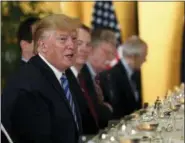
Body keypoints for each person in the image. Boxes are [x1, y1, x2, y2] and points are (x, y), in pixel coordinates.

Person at [1, 14, 82, 143]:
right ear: (43, 46)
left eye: (74, 39)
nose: (71, 45)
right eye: (63, 39)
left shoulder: (64, 75)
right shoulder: (29, 86)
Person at [101, 35, 148, 119]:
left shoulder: (136, 73)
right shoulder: (113, 75)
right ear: (133, 57)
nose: (145, 60)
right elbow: (117, 110)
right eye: (143, 56)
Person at [78, 28, 117, 128]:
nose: (111, 58)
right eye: (107, 53)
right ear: (91, 50)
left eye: (113, 54)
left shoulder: (103, 77)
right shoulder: (79, 75)